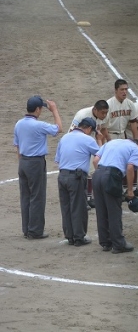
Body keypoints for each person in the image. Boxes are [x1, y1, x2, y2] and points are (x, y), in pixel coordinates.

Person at [14, 96, 62, 239]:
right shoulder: (39, 125)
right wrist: (54, 110)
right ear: (37, 109)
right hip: (35, 163)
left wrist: (22, 162)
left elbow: (17, 146)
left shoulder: (18, 124)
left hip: (23, 162)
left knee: (25, 196)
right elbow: (59, 128)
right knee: (37, 196)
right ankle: (35, 231)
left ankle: (27, 229)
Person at [91, 138, 138, 253]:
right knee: (114, 211)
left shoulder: (112, 142)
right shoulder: (136, 149)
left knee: (101, 210)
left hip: (97, 174)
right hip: (111, 175)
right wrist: (130, 190)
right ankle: (119, 244)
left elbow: (95, 161)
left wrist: (102, 175)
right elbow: (130, 168)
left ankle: (106, 242)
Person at [54, 117, 99, 246]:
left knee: (66, 207)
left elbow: (58, 159)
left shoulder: (64, 137)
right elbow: (101, 154)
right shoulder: (87, 139)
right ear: (88, 128)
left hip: (62, 176)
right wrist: (100, 139)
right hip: (76, 177)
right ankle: (79, 237)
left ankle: (70, 236)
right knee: (78, 207)